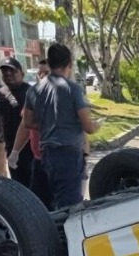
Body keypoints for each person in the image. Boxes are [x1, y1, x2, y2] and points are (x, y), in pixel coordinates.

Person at [23, 43, 100, 208]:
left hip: (46, 154)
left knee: (50, 203)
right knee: (70, 207)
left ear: (50, 64)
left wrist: (48, 124)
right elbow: (88, 127)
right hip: (69, 154)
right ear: (69, 64)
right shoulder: (72, 89)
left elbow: (27, 122)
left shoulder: (34, 90)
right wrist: (97, 125)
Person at [10, 59, 51, 208]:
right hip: (39, 159)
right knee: (38, 204)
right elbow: (25, 125)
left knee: (64, 203)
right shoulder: (34, 95)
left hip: (60, 160)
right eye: (40, 73)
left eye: (47, 72)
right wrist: (15, 151)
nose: (42, 76)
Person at [0, 57, 32, 187]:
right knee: (18, 186)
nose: (8, 74)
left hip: (31, 151)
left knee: (35, 187)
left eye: (12, 71)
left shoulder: (32, 93)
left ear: (22, 74)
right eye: (5, 72)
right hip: (11, 149)